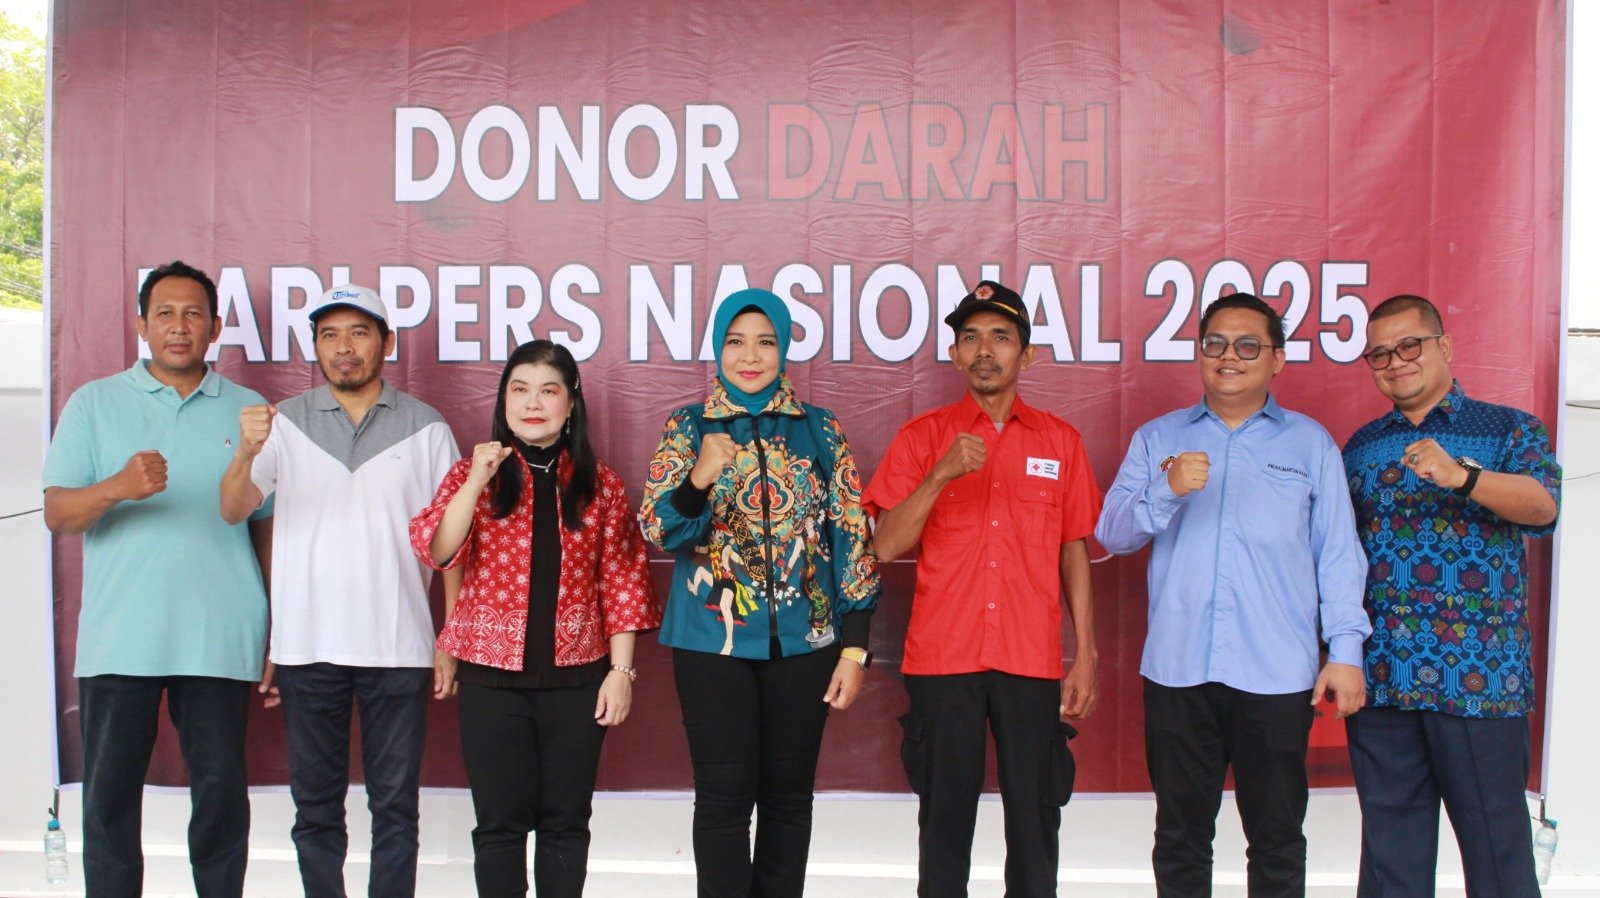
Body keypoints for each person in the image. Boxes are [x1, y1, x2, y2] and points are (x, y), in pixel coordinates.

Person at [1094, 292, 1371, 897]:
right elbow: (1111, 533)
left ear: (1277, 360)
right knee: (1180, 839)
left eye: (1248, 346)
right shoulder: (1158, 438)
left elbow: (1338, 555)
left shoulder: (1310, 445)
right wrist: (1165, 489)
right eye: (1215, 343)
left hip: (1277, 675)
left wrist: (1346, 651)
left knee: (1277, 842)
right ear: (1199, 354)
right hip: (1178, 672)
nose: (1229, 357)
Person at [219, 284, 459, 898]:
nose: (343, 347)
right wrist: (245, 453)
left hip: (399, 647)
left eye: (358, 332)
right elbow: (234, 508)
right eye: (329, 335)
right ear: (316, 347)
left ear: (387, 342)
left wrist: (449, 637)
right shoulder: (284, 423)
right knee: (316, 810)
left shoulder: (427, 427)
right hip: (307, 649)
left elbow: (455, 543)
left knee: (396, 810)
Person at [639, 288, 880, 897]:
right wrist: (699, 477)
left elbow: (851, 535)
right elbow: (660, 530)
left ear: (784, 349)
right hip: (711, 642)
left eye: (765, 342)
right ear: (717, 349)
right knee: (723, 800)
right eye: (735, 341)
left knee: (788, 800)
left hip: (807, 643)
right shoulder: (689, 427)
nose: (750, 356)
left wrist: (855, 646)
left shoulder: (819, 429)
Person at [862, 279, 1099, 898]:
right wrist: (940, 475)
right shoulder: (923, 437)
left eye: (1001, 337)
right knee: (944, 824)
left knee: (1035, 824)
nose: (985, 350)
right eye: (970, 338)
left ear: (1028, 354)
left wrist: (1086, 654)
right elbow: (884, 546)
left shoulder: (1060, 441)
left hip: (1031, 658)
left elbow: (1073, 548)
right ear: (955, 354)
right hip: (944, 658)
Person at [42, 261, 271, 898]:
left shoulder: (249, 411)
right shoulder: (94, 403)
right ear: (141, 325)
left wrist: (277, 624)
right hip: (122, 637)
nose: (179, 326)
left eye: (193, 314)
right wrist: (118, 485)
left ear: (215, 328)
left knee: (221, 795)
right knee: (110, 799)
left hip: (220, 634)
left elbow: (268, 526)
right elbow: (58, 513)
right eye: (164, 313)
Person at [408, 339, 662, 897]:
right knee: (498, 827)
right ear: (503, 401)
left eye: (548, 391)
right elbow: (438, 549)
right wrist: (475, 481)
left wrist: (621, 673)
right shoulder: (474, 475)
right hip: (491, 680)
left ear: (571, 403)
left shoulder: (601, 484)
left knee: (566, 825)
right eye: (519, 390)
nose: (533, 403)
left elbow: (622, 581)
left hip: (578, 680)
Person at [1343, 294, 1560, 898]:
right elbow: (1338, 554)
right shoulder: (1360, 447)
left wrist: (1463, 477)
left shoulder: (1508, 428)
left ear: (1444, 346)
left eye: (1409, 345)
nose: (1396, 361)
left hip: (1480, 681)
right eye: (1380, 353)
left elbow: (1544, 508)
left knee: (1498, 858)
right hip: (1384, 680)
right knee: (1390, 864)